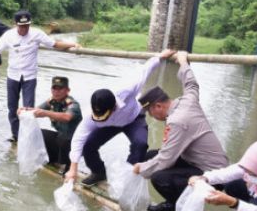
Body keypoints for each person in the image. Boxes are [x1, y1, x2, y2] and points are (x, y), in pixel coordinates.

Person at [133, 51, 229, 211]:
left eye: (150, 112)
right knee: (150, 155)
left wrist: (139, 169)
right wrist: (183, 62)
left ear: (158, 106)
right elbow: (191, 84)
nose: (151, 116)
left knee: (159, 177)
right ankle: (174, 204)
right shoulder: (187, 100)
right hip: (201, 162)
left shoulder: (177, 121)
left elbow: (166, 160)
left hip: (213, 174)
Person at [64, 49, 176, 187]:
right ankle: (98, 172)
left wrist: (160, 56)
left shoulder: (126, 89)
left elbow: (144, 71)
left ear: (113, 108)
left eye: (104, 116)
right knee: (88, 144)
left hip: (133, 118)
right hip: (109, 126)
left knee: (141, 143)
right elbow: (78, 139)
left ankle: (128, 178)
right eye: (98, 117)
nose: (100, 118)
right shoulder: (91, 116)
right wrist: (72, 168)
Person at [0, 10, 80, 141]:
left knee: (29, 109)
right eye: (22, 26)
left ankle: (27, 137)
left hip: (29, 77)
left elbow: (54, 44)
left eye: (27, 25)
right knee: (12, 107)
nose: (24, 28)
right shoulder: (8, 36)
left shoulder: (36, 34)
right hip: (13, 76)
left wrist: (73, 44)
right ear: (16, 24)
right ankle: (16, 135)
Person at [24, 76, 82, 174]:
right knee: (39, 133)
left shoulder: (72, 104)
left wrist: (46, 113)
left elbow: (66, 117)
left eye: (60, 88)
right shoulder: (51, 101)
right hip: (62, 138)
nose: (57, 91)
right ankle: (52, 159)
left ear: (67, 90)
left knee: (64, 139)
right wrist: (23, 111)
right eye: (54, 88)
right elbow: (36, 111)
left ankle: (67, 165)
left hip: (75, 143)